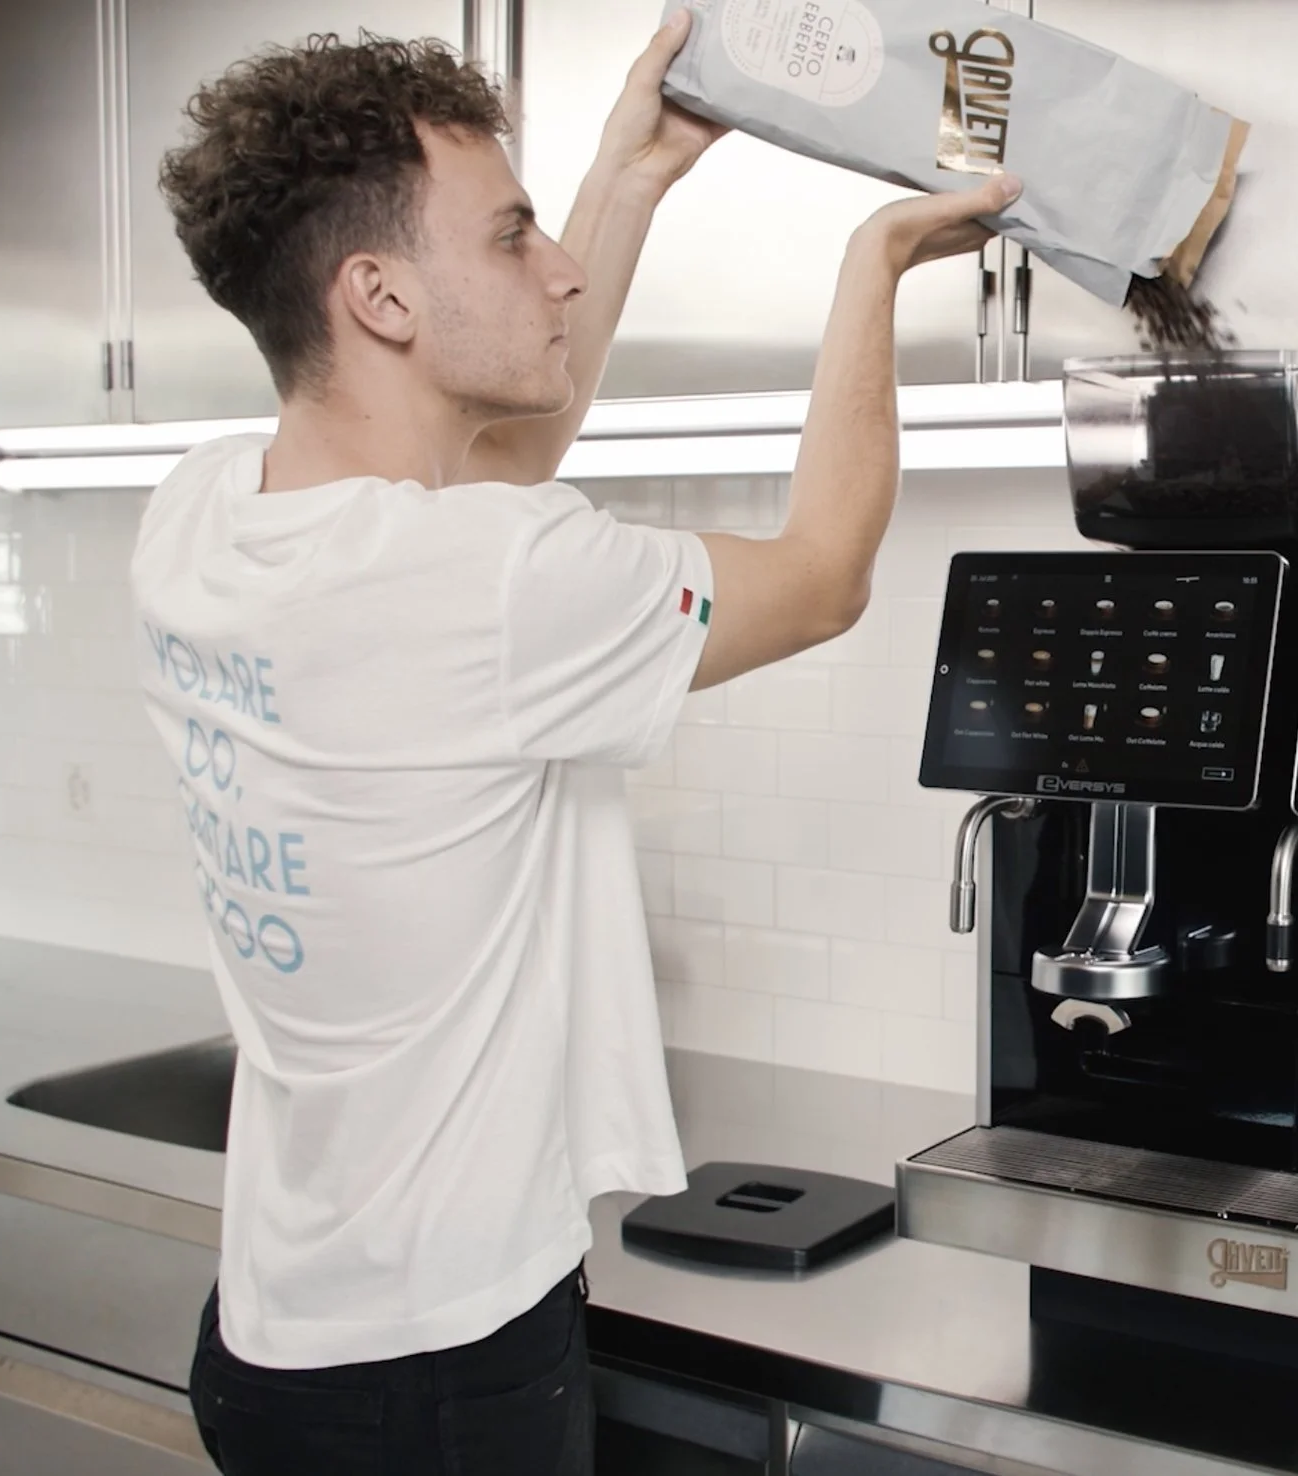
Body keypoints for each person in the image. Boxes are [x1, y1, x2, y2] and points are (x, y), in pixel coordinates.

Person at [131, 15, 1017, 1473]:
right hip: (442, 1370)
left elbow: (500, 458)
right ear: (381, 296)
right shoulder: (489, 581)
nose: (559, 270)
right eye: (512, 235)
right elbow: (825, 572)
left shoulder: (209, 507)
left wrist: (629, 176)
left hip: (278, 1334)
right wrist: (870, 272)